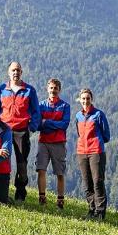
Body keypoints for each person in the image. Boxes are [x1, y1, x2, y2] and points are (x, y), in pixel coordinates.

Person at [0, 61, 40, 201]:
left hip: (22, 131)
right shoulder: (1, 89)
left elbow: (36, 112)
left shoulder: (29, 90)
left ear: (21, 72)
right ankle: (2, 190)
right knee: (4, 161)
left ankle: (20, 192)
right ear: (8, 72)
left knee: (22, 163)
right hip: (4, 131)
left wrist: (31, 127)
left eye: (18, 70)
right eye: (13, 70)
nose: (15, 73)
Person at [76, 88, 110, 220]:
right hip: (82, 152)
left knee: (98, 182)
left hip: (96, 152)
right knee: (87, 183)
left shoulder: (99, 114)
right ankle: (92, 209)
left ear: (92, 99)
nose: (85, 101)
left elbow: (106, 135)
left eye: (88, 98)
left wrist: (96, 142)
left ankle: (100, 212)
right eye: (83, 99)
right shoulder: (78, 116)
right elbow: (79, 133)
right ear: (80, 100)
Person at [37, 78, 71, 209]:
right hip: (43, 142)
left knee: (60, 172)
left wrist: (47, 123)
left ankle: (60, 200)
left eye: (55, 88)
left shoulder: (65, 106)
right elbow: (38, 124)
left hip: (58, 143)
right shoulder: (41, 105)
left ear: (59, 90)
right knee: (41, 169)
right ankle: (42, 197)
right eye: (51, 88)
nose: (53, 91)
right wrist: (52, 125)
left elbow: (64, 124)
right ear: (47, 89)